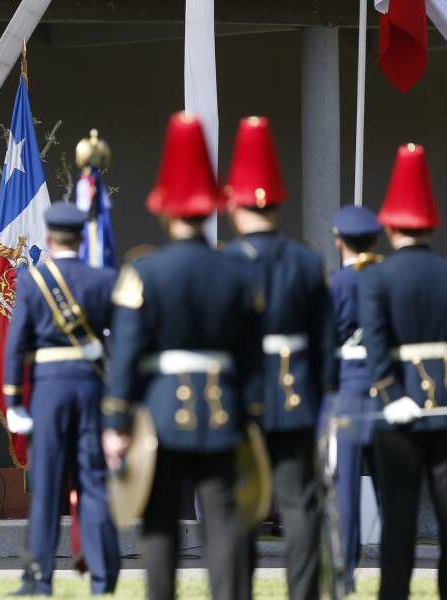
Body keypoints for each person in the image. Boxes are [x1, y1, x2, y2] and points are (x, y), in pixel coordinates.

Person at [102, 111, 257, 600]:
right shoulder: (236, 271)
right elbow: (250, 354)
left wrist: (116, 420)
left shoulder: (144, 273)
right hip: (223, 408)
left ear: (165, 210)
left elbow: (125, 354)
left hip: (162, 415)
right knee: (225, 525)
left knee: (161, 525)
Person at [221, 116, 336, 599]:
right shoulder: (309, 261)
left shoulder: (223, 261)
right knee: (299, 506)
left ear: (233, 201)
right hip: (295, 398)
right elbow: (325, 342)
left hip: (239, 400)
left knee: (239, 510)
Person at [4, 202, 120, 596]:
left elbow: (15, 346)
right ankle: (103, 578)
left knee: (47, 485)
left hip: (50, 390)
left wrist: (14, 401)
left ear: (50, 238)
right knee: (93, 483)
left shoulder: (33, 282)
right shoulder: (104, 279)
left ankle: (39, 578)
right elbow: (117, 344)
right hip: (90, 388)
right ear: (81, 238)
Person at [359, 143, 447, 599]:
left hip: (399, 414)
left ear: (390, 226)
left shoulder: (376, 277)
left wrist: (392, 398)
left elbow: (376, 348)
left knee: (398, 521)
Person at [322, 205, 383, 593]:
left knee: (345, 488)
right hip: (386, 389)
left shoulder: (336, 285)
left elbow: (326, 341)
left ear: (339, 241)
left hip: (346, 388)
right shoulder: (388, 280)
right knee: (392, 489)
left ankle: (344, 578)